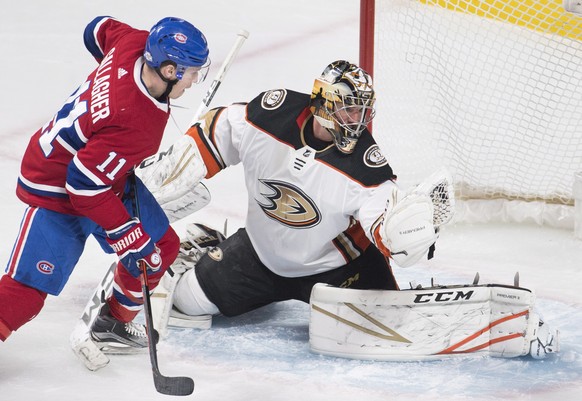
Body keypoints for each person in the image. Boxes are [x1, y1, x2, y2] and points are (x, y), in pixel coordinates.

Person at [161, 60, 440, 323]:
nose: (358, 119)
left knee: (390, 322)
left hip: (337, 269)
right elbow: (222, 127)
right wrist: (181, 160)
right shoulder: (271, 115)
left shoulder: (367, 166)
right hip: (259, 255)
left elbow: (383, 220)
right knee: (187, 302)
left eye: (363, 110)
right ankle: (212, 245)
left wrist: (406, 235)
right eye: (350, 109)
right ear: (324, 104)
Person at [0, 16, 210, 349]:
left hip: (100, 173)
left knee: (158, 251)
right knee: (27, 291)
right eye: (192, 72)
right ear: (170, 71)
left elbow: (96, 28)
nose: (194, 80)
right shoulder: (135, 122)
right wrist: (125, 230)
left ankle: (112, 323)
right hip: (56, 183)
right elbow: (82, 184)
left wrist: (107, 83)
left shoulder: (133, 42)